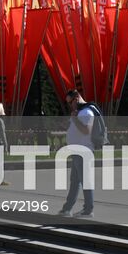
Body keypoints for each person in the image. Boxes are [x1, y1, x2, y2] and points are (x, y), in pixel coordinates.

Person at [57, 89, 97, 218]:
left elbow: (86, 130)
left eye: (71, 102)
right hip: (76, 151)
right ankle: (67, 208)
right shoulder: (79, 112)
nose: (70, 105)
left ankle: (88, 210)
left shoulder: (87, 112)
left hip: (83, 151)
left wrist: (74, 119)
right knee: (75, 181)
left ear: (77, 98)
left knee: (85, 181)